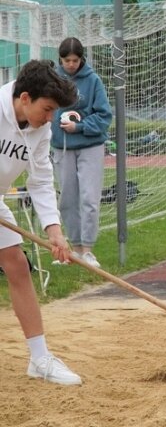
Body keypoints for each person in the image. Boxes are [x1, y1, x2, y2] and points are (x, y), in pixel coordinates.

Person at [0, 59, 82, 385]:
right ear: (24, 98)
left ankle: (40, 359)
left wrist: (55, 232)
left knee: (17, 265)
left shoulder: (41, 129)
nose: (51, 118)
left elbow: (41, 180)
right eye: (47, 109)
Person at [51, 37, 112, 268]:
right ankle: (74, 249)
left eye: (75, 60)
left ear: (81, 59)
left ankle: (87, 250)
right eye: (67, 60)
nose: (71, 65)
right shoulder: (54, 80)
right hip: (62, 147)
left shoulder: (93, 80)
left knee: (89, 197)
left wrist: (81, 126)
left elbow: (104, 115)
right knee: (67, 197)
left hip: (90, 146)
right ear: (61, 59)